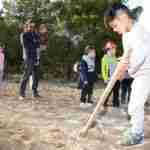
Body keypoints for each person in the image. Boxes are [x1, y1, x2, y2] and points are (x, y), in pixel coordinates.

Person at [104, 3, 150, 145]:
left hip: (146, 72)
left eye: (115, 26)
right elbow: (127, 54)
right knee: (134, 105)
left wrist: (125, 66)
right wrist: (123, 62)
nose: (115, 30)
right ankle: (137, 129)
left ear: (123, 17)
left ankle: (137, 134)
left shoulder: (139, 32)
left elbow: (138, 57)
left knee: (135, 105)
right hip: (140, 73)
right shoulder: (126, 35)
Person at [19, 21, 41, 100]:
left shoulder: (36, 34)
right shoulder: (24, 35)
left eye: (33, 26)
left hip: (35, 57)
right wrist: (34, 43)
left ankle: (34, 93)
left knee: (36, 76)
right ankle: (21, 93)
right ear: (27, 26)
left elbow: (38, 46)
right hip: (28, 58)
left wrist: (38, 57)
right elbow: (25, 46)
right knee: (26, 75)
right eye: (30, 26)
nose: (32, 27)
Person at [101, 41, 120, 107]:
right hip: (109, 78)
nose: (115, 50)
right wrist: (105, 78)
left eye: (115, 49)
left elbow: (117, 67)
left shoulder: (115, 58)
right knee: (108, 92)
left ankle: (116, 103)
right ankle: (104, 102)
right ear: (109, 50)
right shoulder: (105, 58)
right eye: (114, 49)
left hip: (116, 78)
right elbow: (103, 69)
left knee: (116, 91)